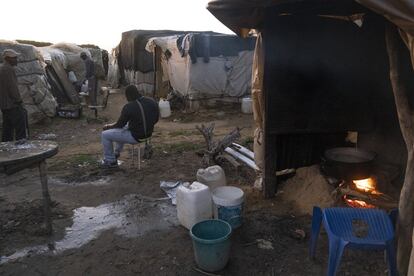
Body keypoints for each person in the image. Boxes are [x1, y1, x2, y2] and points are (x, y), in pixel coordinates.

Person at [101, 85, 159, 168]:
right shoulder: (152, 101)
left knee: (105, 134)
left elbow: (120, 124)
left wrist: (108, 126)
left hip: (135, 137)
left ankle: (110, 161)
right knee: (122, 128)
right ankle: (116, 154)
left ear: (128, 95)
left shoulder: (129, 107)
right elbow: (156, 120)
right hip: (148, 134)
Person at [0, 49, 28, 142]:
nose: (16, 60)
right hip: (12, 104)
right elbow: (12, 87)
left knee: (7, 128)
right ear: (7, 58)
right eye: (14, 58)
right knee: (20, 127)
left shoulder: (1, 68)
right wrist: (19, 100)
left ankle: (6, 148)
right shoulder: (8, 69)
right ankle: (22, 148)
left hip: (4, 104)